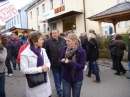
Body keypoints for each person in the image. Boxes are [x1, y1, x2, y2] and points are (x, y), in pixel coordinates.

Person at [20, 31, 52, 97]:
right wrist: (40, 69)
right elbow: (24, 70)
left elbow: (47, 62)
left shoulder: (43, 50)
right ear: (34, 42)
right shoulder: (24, 54)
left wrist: (47, 67)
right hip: (34, 84)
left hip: (45, 82)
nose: (43, 41)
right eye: (41, 39)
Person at [46, 28, 66, 97]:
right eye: (53, 33)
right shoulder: (48, 41)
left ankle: (58, 87)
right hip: (54, 63)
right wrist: (49, 62)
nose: (54, 34)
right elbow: (46, 53)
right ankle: (59, 91)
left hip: (63, 63)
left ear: (58, 33)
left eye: (55, 33)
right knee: (57, 78)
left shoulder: (63, 40)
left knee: (61, 77)